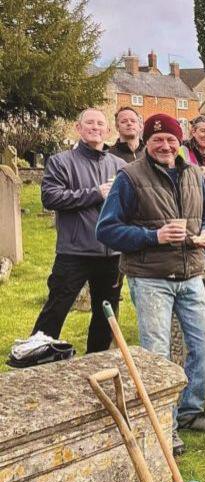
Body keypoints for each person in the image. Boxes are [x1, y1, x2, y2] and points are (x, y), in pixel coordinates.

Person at [96, 113, 205, 456]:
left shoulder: (194, 174)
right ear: (148, 144)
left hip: (191, 274)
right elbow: (105, 230)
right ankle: (162, 424)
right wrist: (154, 236)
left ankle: (189, 411)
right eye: (157, 141)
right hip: (150, 278)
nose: (165, 146)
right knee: (157, 354)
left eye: (170, 139)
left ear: (180, 142)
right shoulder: (129, 177)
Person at [29, 108, 125, 355]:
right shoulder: (61, 162)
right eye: (89, 123)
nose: (95, 127)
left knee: (106, 313)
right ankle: (35, 359)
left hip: (111, 253)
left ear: (108, 130)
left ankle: (96, 361)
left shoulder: (120, 165)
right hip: (75, 251)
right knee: (56, 308)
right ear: (78, 128)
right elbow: (50, 197)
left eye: (100, 123)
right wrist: (96, 193)